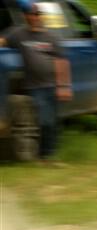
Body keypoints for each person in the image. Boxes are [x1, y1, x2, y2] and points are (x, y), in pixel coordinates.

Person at [0, 0, 72, 165]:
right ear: (26, 17)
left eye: (37, 15)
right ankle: (44, 155)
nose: (35, 17)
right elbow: (2, 41)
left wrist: (63, 86)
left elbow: (62, 62)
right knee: (44, 121)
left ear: (41, 17)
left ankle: (48, 156)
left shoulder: (51, 37)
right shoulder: (19, 34)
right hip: (35, 85)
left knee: (53, 121)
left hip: (53, 84)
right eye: (32, 15)